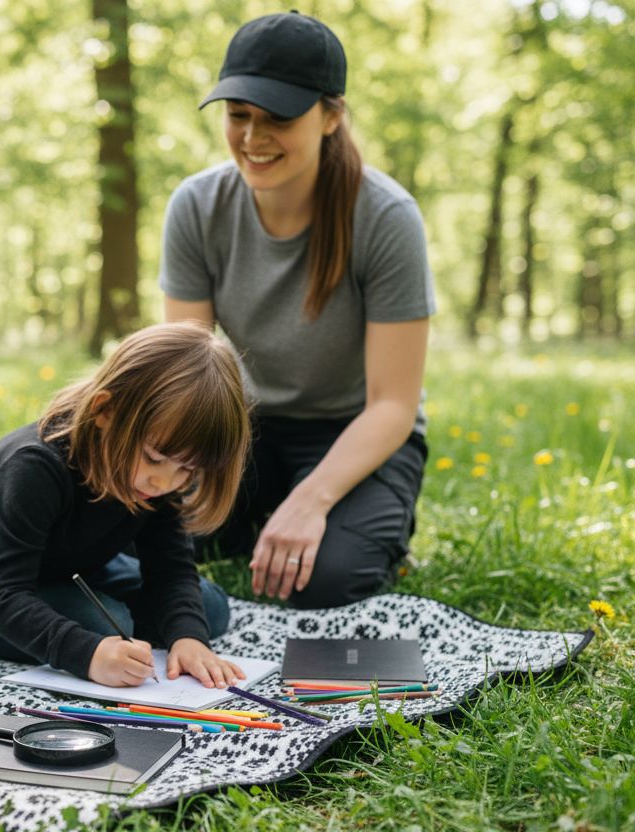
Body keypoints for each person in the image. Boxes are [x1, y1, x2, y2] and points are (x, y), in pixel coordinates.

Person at [159, 12, 435, 609]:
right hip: (242, 430)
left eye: (278, 118)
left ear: (331, 116)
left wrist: (313, 500)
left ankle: (350, 518)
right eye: (238, 116)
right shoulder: (196, 207)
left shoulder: (387, 218)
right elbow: (184, 374)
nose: (253, 139)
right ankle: (263, 514)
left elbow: (394, 404)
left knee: (326, 579)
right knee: (139, 540)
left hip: (354, 430)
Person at [0, 322, 251, 689]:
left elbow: (170, 566)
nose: (165, 483)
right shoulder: (34, 466)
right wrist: (89, 655)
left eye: (187, 469)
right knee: (108, 627)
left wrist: (190, 640)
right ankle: (107, 631)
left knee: (207, 610)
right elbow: (3, 595)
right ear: (105, 411)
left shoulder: (157, 476)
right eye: (154, 458)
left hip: (75, 569)